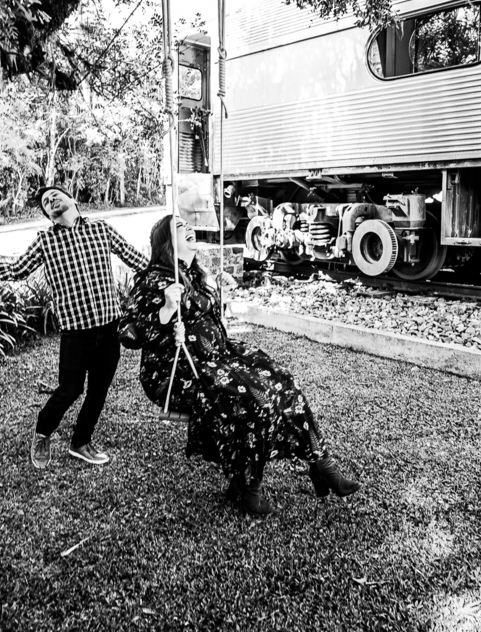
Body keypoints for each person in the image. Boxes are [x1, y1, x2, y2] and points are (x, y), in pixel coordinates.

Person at [129, 214, 360, 516]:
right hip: (181, 372)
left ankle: (321, 463)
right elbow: (129, 333)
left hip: (219, 357)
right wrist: (165, 312)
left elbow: (203, 316)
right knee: (255, 400)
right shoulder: (154, 281)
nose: (188, 228)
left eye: (188, 224)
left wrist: (220, 295)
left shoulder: (195, 274)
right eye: (179, 227)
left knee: (284, 382)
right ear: (165, 244)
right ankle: (247, 486)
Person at [0, 186, 148, 468]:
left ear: (72, 198)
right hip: (75, 333)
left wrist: (172, 271)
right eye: (45, 202)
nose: (51, 199)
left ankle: (81, 442)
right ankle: (43, 431)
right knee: (69, 390)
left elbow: (138, 260)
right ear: (47, 215)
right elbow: (13, 271)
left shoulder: (101, 230)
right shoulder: (45, 241)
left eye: (55, 194)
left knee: (98, 390)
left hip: (109, 329)